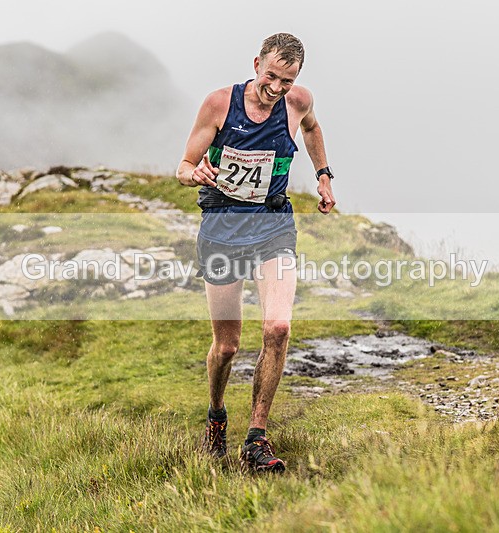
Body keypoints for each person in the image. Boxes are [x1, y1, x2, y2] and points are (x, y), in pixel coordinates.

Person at [176, 33, 336, 473]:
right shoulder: (219, 105)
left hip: (273, 226)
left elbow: (312, 129)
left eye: (287, 80)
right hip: (222, 229)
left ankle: (256, 438)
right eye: (271, 76)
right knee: (227, 346)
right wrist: (197, 173)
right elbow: (183, 166)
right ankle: (216, 416)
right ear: (255, 64)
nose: (277, 88)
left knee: (279, 327)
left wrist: (323, 175)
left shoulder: (298, 100)